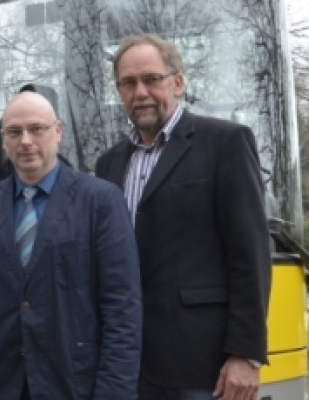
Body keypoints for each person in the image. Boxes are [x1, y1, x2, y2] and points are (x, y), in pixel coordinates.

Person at [95, 33, 270, 400]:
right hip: (127, 364)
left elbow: (249, 252)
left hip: (203, 365)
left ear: (177, 82)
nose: (140, 92)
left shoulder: (225, 143)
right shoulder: (108, 164)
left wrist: (245, 352)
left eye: (151, 79)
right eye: (128, 83)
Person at [0, 91, 141, 399]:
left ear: (59, 131)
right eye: (14, 132)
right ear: (3, 140)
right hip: (0, 385)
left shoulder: (101, 202)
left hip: (74, 383)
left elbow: (122, 309)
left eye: (36, 129)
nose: (25, 141)